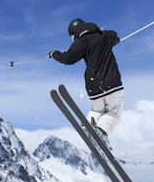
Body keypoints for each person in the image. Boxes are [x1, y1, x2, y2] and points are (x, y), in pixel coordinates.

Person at [49, 19, 124, 148]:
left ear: (75, 34)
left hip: (94, 87)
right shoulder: (105, 36)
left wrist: (54, 54)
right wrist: (110, 42)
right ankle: (101, 131)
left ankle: (88, 124)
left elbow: (68, 58)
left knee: (98, 109)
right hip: (112, 84)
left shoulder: (81, 43)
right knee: (115, 111)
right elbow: (115, 36)